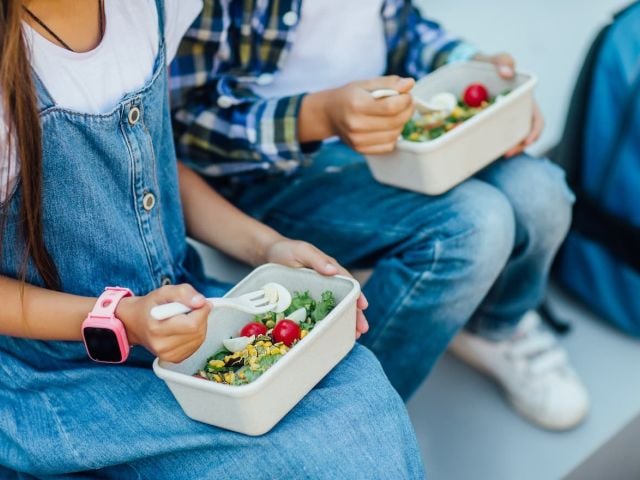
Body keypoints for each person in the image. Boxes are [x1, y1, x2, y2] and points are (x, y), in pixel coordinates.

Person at [0, 0, 425, 478]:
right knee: (298, 458)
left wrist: (268, 249)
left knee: (358, 383)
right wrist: (122, 320)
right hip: (58, 377)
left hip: (190, 321)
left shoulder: (151, 9)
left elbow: (152, 167)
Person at [170, 0, 589, 430]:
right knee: (474, 224)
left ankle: (492, 325)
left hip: (392, 133)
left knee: (541, 193)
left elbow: (402, 27)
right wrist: (316, 117)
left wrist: (469, 65)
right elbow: (179, 128)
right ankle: (347, 423)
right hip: (266, 173)